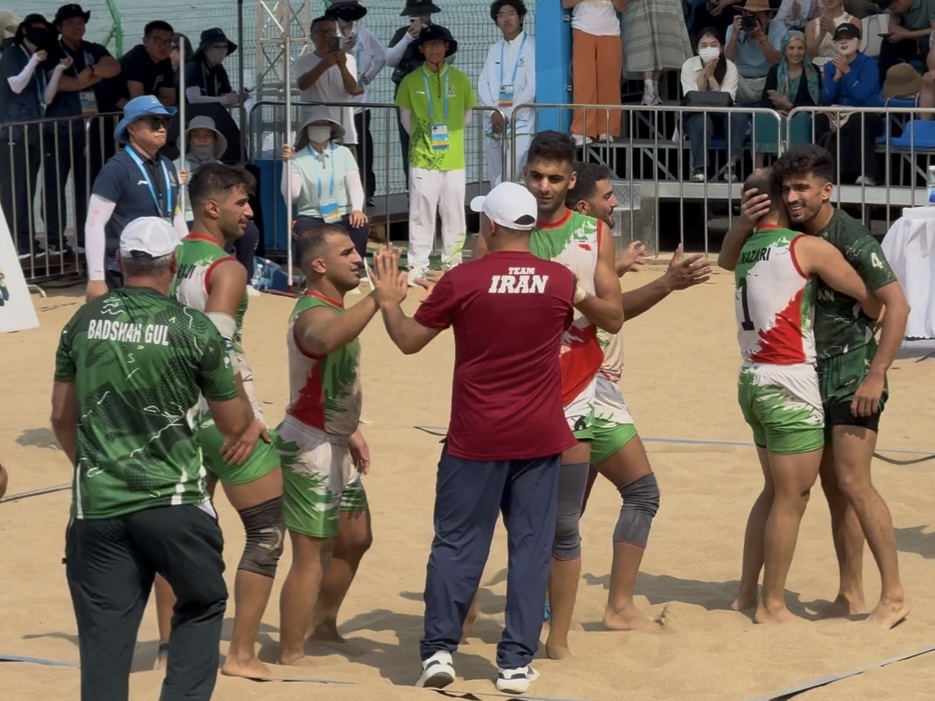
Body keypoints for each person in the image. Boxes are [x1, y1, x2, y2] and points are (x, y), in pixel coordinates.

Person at [371, 182, 576, 694]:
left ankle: (439, 650)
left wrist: (389, 304)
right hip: (539, 434)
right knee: (530, 549)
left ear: (489, 224)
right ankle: (515, 662)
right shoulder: (560, 280)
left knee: (457, 544)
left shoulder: (463, 279)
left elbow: (409, 341)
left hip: (476, 434)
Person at [51, 216, 253, 701]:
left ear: (120, 261)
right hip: (173, 500)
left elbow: (60, 416)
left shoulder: (82, 321)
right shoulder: (193, 327)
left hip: (98, 504)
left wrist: (91, 464)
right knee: (202, 602)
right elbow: (232, 423)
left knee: (104, 640)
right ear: (174, 263)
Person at [720, 145, 911, 629]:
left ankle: (893, 596)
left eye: (802, 188)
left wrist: (876, 374)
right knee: (831, 488)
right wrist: (744, 221)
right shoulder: (794, 233)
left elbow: (895, 306)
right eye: (787, 188)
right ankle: (850, 592)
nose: (793, 196)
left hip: (851, 374)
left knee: (853, 481)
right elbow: (728, 260)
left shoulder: (849, 237)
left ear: (827, 190)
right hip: (807, 375)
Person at [473, 130, 623, 659]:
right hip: (509, 388)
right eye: (536, 175)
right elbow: (474, 305)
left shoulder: (593, 233)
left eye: (555, 178)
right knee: (484, 514)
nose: (543, 186)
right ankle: (469, 612)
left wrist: (571, 291)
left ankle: (556, 638)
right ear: (524, 173)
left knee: (562, 524)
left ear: (570, 180)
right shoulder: (498, 227)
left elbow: (614, 316)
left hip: (573, 387)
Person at [566, 162, 711, 630]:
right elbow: (611, 314)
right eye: (607, 196)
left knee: (567, 509)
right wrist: (666, 284)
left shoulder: (572, 242)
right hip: (589, 388)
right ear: (583, 206)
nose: (615, 201)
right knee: (641, 493)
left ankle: (544, 610)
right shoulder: (581, 243)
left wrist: (620, 269)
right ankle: (619, 608)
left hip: (582, 386)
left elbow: (590, 299)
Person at [163, 163, 284, 679]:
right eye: (241, 202)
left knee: (178, 532)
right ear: (212, 208)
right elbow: (216, 350)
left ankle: (170, 648)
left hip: (174, 414)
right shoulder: (225, 268)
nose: (250, 211)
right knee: (266, 530)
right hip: (220, 412)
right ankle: (241, 654)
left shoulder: (170, 258)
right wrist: (248, 417)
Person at [275, 223, 375, 666]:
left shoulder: (334, 307)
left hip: (334, 437)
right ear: (319, 265)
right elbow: (321, 340)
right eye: (346, 252)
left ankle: (322, 623)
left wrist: (350, 429)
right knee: (311, 553)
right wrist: (379, 298)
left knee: (356, 536)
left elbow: (332, 379)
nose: (357, 258)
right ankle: (290, 651)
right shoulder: (312, 312)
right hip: (309, 445)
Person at [84, 95, 187, 301]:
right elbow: (94, 224)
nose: (162, 128)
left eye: (165, 121)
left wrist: (190, 254)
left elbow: (174, 214)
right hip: (126, 270)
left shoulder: (167, 164)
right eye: (154, 122)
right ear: (132, 128)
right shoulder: (116, 169)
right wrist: (96, 278)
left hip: (162, 266)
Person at [396, 25, 476, 285]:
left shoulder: (460, 79)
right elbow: (406, 119)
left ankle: (452, 264)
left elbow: (466, 116)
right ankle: (417, 265)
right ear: (421, 49)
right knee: (421, 213)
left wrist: (449, 137)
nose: (434, 49)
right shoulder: (410, 81)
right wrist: (424, 140)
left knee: (454, 213)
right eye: (429, 44)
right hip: (422, 158)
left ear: (447, 47)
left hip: (454, 159)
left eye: (439, 44)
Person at [41, 3, 121, 257]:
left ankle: (87, 238)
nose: (77, 27)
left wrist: (91, 72)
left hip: (89, 129)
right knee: (54, 184)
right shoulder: (53, 51)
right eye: (70, 23)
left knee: (88, 185)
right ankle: (55, 240)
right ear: (59, 27)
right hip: (59, 128)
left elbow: (114, 67)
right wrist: (82, 81)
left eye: (80, 22)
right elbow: (57, 83)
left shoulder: (93, 49)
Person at [0, 14, 59, 259]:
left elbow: (46, 97)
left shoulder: (37, 59)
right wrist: (34, 61)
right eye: (36, 28)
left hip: (33, 133)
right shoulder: (13, 54)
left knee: (27, 190)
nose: (41, 32)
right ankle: (16, 243)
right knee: (14, 191)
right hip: (13, 132)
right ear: (24, 30)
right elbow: (15, 84)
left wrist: (58, 70)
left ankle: (27, 240)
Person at [282, 105, 369, 265]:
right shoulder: (297, 158)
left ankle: (353, 266)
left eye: (324, 124)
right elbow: (292, 195)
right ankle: (316, 269)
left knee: (359, 225)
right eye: (315, 124)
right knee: (304, 230)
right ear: (307, 129)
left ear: (331, 128)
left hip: (342, 213)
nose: (320, 127)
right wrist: (286, 164)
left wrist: (357, 209)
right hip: (310, 215)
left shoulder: (344, 153)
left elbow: (355, 185)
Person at [174, 115, 259, 278]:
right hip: (188, 218)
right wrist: (177, 185)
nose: (202, 140)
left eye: (207, 135)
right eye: (196, 135)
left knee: (249, 230)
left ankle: (245, 278)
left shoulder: (223, 169)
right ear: (189, 139)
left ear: (215, 140)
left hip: (219, 215)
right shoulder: (175, 166)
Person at [326, 0, 387, 204]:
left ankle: (366, 191)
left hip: (360, 102)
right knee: (336, 147)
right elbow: (325, 63)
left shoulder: (364, 34)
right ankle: (338, 192)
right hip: (336, 101)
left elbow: (381, 57)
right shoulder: (331, 36)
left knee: (363, 148)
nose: (346, 21)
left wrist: (369, 76)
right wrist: (342, 50)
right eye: (342, 15)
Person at [386, 0, 449, 188]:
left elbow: (451, 57)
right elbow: (390, 60)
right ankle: (412, 187)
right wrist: (408, 38)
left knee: (438, 140)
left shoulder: (440, 33)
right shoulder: (402, 34)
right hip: (407, 96)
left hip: (435, 94)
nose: (420, 17)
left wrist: (431, 39)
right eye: (416, 14)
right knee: (409, 142)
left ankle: (438, 185)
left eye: (423, 13)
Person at [477, 0, 535, 186]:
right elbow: (483, 84)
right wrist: (493, 113)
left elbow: (532, 87)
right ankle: (495, 204)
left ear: (521, 18)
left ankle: (502, 203)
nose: (506, 19)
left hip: (520, 121)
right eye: (501, 15)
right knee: (495, 173)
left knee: (511, 174)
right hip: (494, 122)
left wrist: (506, 114)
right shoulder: (494, 49)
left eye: (511, 14)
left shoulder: (533, 46)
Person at [817, 22, 883, 186]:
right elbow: (825, 98)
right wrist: (835, 78)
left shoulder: (868, 64)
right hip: (839, 113)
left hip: (869, 114)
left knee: (856, 120)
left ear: (858, 43)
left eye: (848, 38)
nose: (844, 42)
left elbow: (861, 94)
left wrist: (847, 72)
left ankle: (870, 173)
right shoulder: (830, 66)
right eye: (840, 39)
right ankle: (823, 173)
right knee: (819, 120)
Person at [680, 28, 741, 182]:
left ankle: (731, 165)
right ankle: (699, 168)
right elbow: (692, 97)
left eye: (714, 45)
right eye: (704, 45)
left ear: (721, 47)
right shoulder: (688, 65)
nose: (709, 49)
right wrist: (703, 74)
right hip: (697, 115)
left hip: (722, 115)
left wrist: (711, 76)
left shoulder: (730, 67)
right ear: (697, 49)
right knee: (701, 119)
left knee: (738, 115)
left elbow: (727, 99)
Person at [295, 16, 361, 155]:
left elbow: (352, 89)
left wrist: (342, 65)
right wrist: (324, 64)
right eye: (320, 32)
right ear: (312, 37)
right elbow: (303, 84)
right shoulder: (303, 61)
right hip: (314, 127)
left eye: (330, 31)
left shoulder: (348, 59)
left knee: (346, 167)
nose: (326, 35)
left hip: (344, 129)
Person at [756, 30, 819, 155]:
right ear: (785, 50)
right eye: (791, 48)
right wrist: (775, 111)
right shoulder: (775, 70)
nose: (796, 53)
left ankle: (799, 162)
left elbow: (813, 103)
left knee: (802, 118)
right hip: (779, 113)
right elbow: (765, 100)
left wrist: (791, 106)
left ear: (805, 50)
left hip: (800, 114)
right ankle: (759, 166)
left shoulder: (813, 71)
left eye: (800, 48)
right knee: (760, 117)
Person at [621, 0, 693, 106]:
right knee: (644, 41)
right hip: (639, 5)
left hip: (666, 4)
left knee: (664, 44)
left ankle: (654, 87)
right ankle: (649, 87)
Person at [119, 20, 176, 105]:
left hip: (136, 107)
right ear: (145, 41)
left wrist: (150, 103)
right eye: (158, 41)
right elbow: (139, 101)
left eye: (168, 42)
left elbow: (170, 99)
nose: (163, 46)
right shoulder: (136, 58)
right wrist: (155, 103)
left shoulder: (165, 61)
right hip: (110, 109)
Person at [876, 0, 934, 83]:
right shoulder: (896, 8)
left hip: (930, 43)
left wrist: (907, 34)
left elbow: (934, 30)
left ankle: (927, 81)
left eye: (894, 8)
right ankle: (883, 81)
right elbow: (893, 28)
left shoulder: (930, 2)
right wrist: (899, 33)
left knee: (925, 41)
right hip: (913, 41)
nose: (894, 11)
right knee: (888, 42)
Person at [804, 0, 857, 67]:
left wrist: (834, 33)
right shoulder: (812, 24)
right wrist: (821, 35)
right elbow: (808, 56)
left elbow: (853, 53)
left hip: (842, 67)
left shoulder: (853, 21)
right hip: (816, 67)